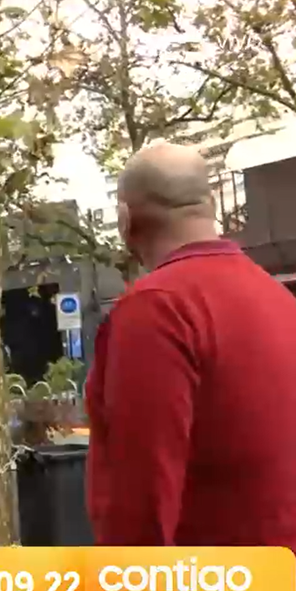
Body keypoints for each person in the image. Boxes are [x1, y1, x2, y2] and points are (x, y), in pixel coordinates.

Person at [86, 142, 296, 547]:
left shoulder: (155, 310)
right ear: (210, 204)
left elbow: (142, 499)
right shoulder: (279, 299)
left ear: (125, 220)